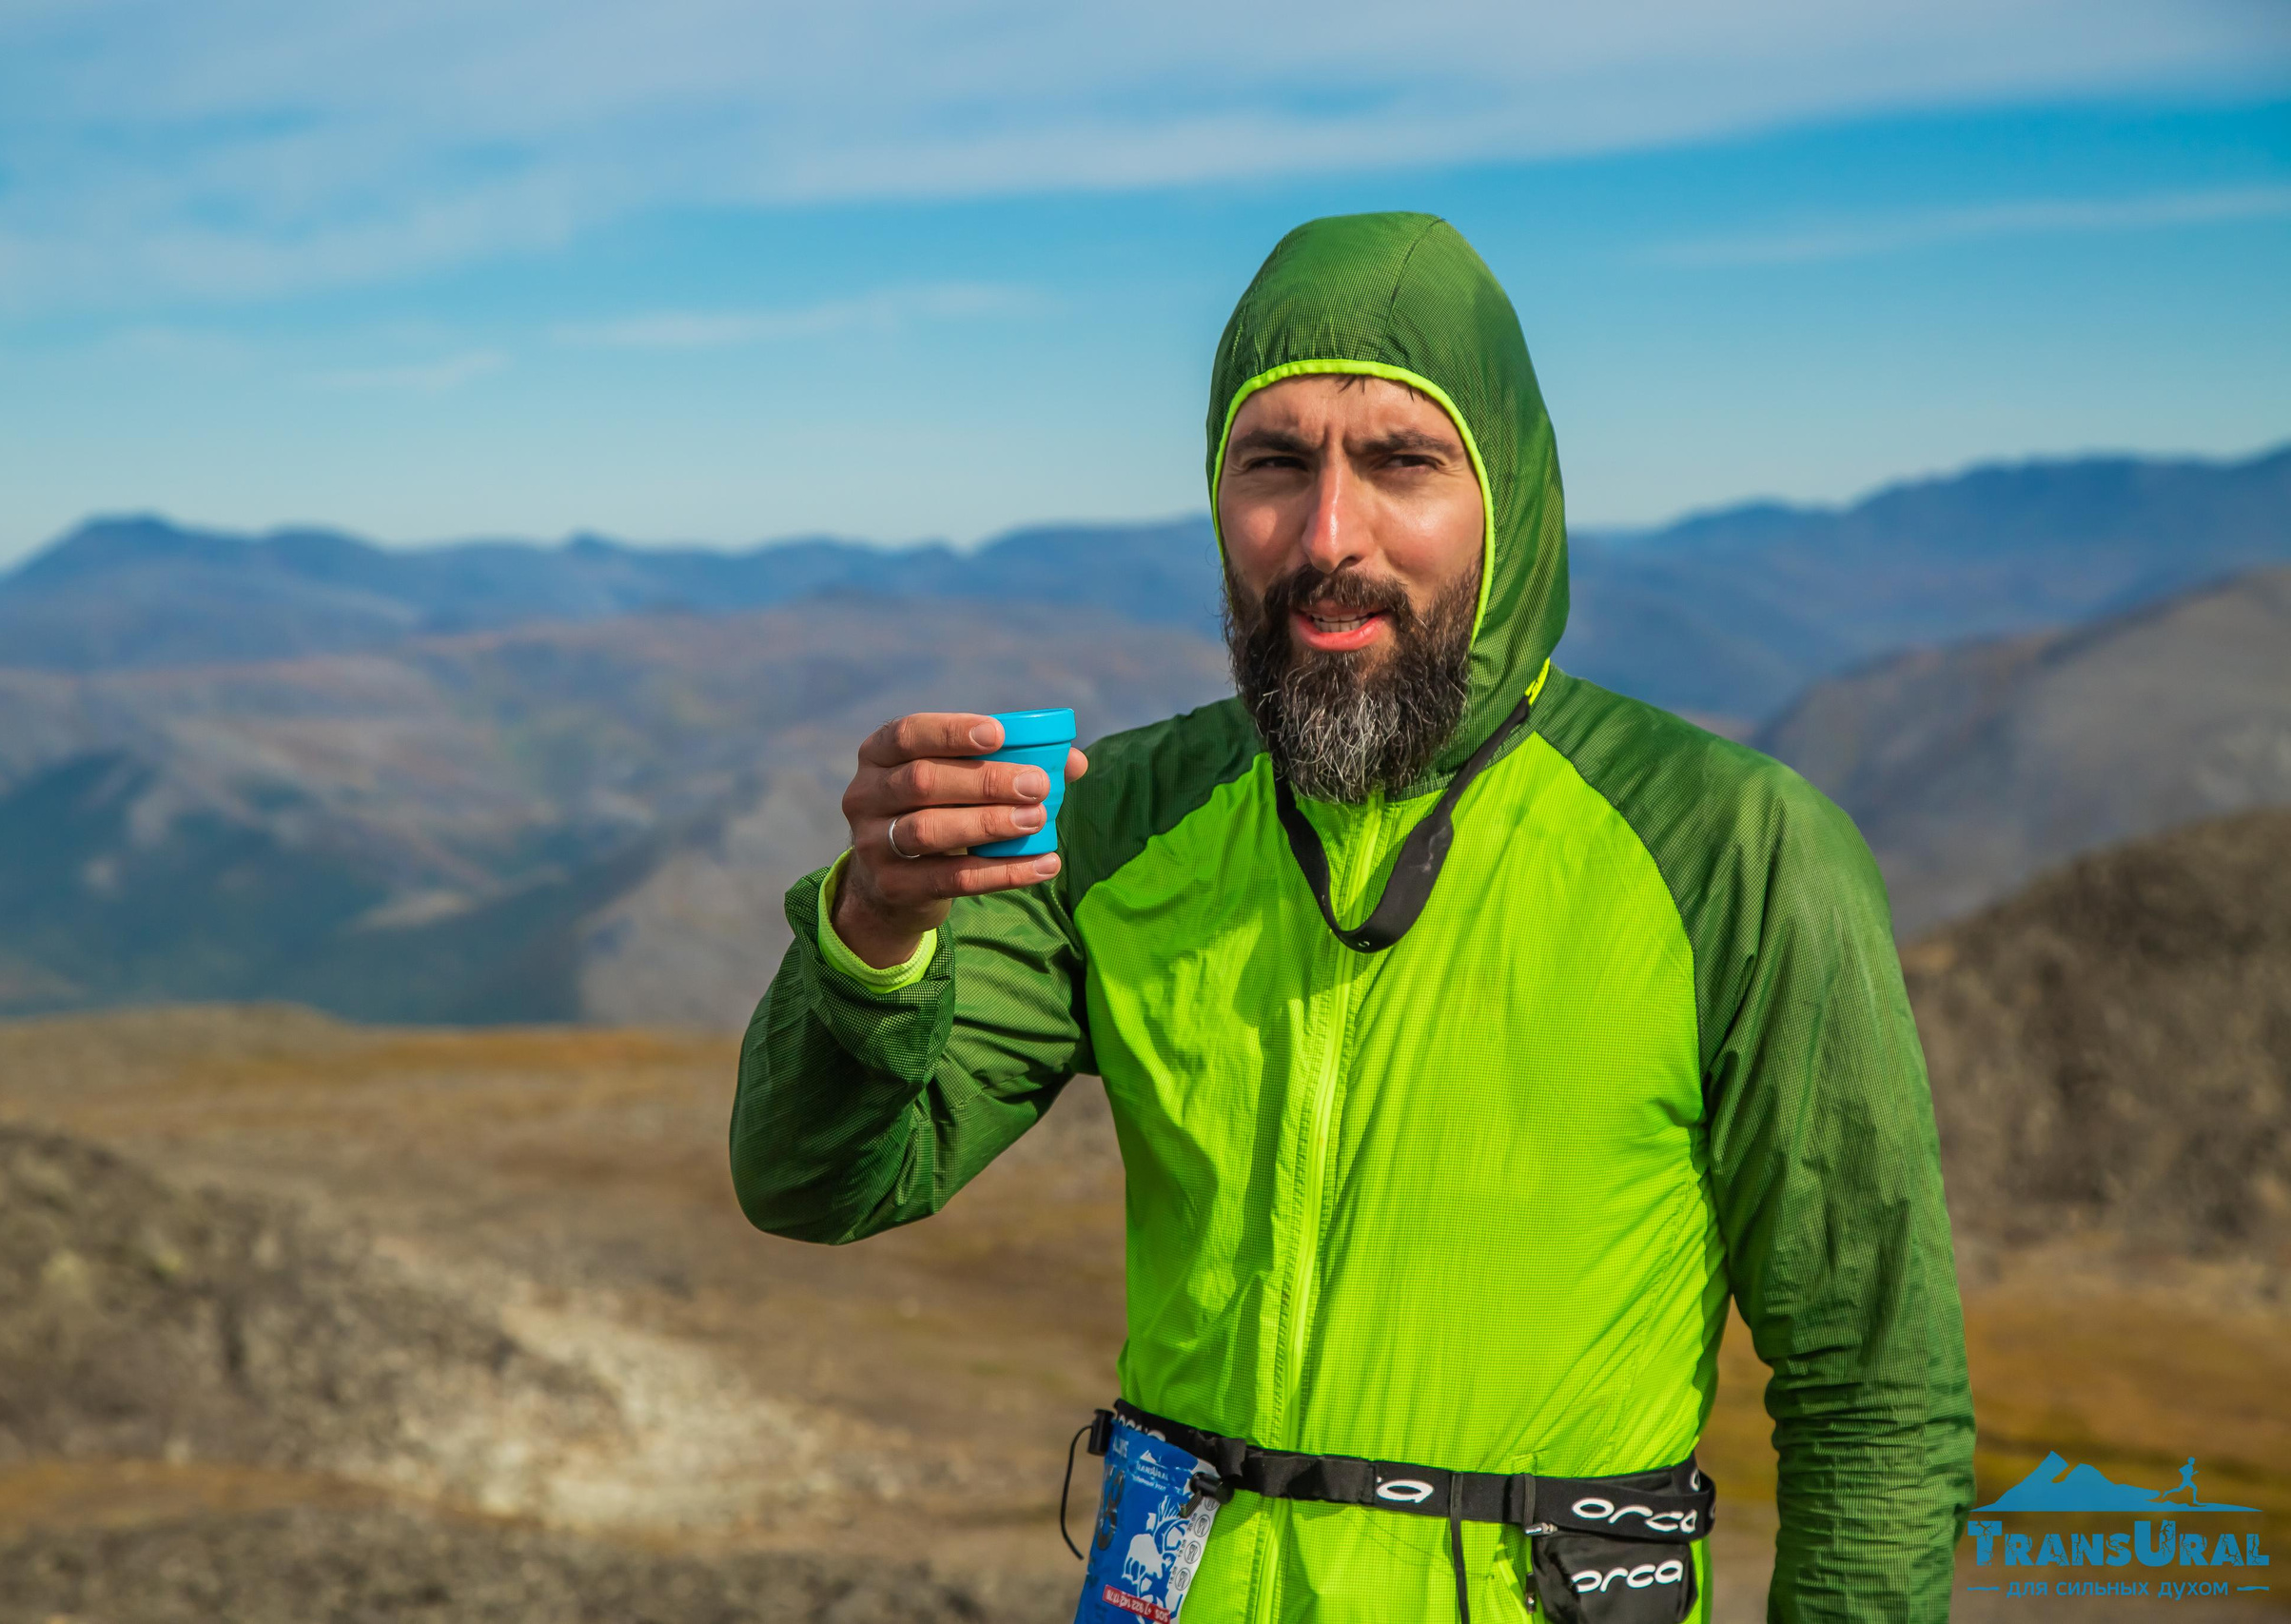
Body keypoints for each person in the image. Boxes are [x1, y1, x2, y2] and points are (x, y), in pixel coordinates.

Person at [732, 212, 1975, 1623]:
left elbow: (1875, 1400)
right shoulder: (1119, 821)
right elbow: (815, 1185)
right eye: (1274, 465)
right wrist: (875, 929)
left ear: (1508, 495)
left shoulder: (1734, 850)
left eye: (1402, 463)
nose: (1330, 537)